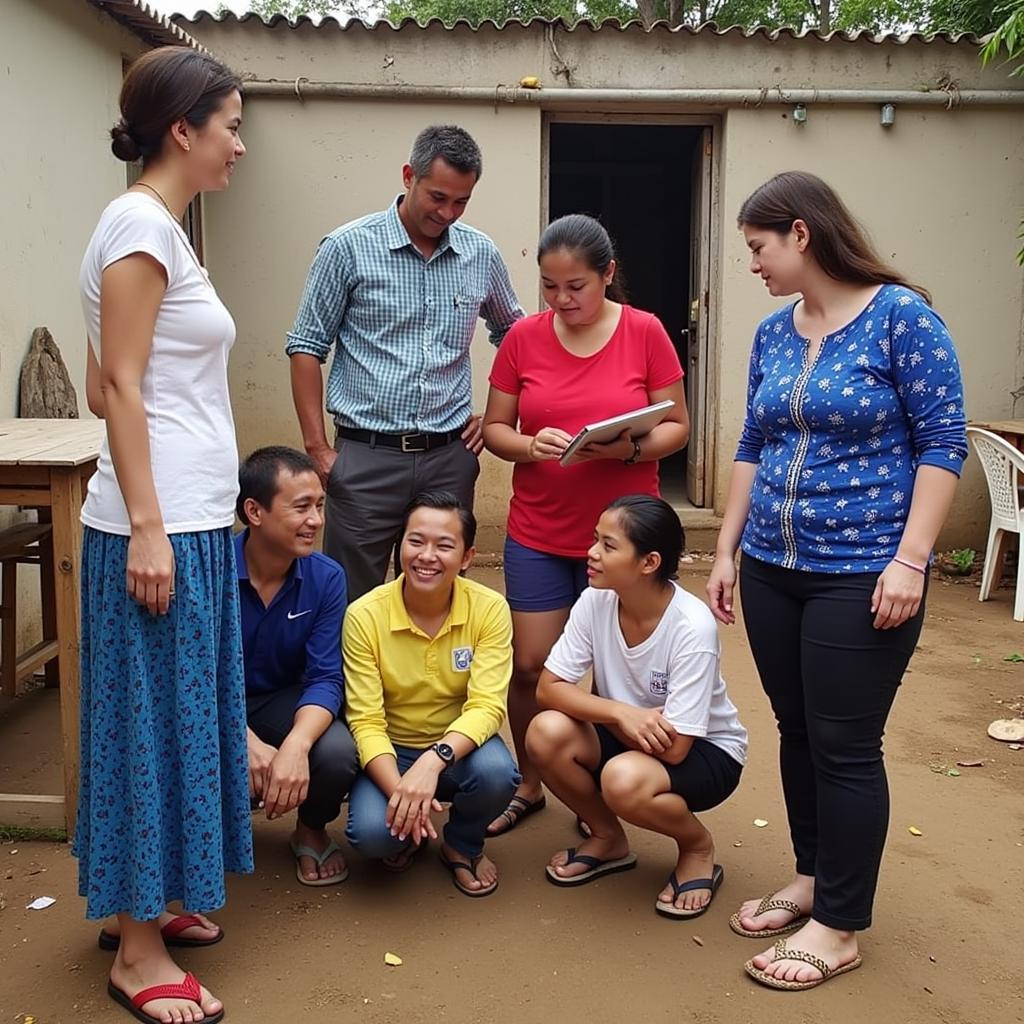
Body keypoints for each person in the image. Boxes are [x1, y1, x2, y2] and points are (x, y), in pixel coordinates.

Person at [707, 171, 967, 991]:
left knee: (847, 746)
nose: (753, 264)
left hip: (862, 573)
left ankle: (841, 925)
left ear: (801, 234)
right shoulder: (775, 331)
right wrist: (725, 551)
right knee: (796, 728)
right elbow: (751, 442)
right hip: (774, 568)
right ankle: (815, 880)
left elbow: (942, 443)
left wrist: (912, 558)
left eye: (758, 248)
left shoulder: (902, 319)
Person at [77, 46, 250, 1024]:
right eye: (229, 124)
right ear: (182, 130)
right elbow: (126, 389)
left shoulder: (144, 229)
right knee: (154, 730)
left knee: (174, 720)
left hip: (180, 516)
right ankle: (139, 953)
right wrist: (146, 523)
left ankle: (152, 905)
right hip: (162, 524)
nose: (238, 143)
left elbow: (105, 379)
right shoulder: (143, 226)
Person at [482, 213, 689, 837]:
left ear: (608, 275)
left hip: (624, 537)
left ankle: (602, 783)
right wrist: (528, 445)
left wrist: (626, 450)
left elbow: (677, 426)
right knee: (532, 664)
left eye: (577, 286)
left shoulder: (646, 331)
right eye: (549, 286)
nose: (563, 300)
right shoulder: (522, 336)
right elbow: (494, 429)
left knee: (613, 666)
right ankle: (530, 779)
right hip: (539, 529)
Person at [285, 124, 525, 601]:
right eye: (437, 196)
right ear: (408, 175)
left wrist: (501, 416)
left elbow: (517, 338)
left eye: (461, 202)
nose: (447, 213)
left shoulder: (479, 253)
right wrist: (318, 450)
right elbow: (306, 346)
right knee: (350, 600)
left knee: (440, 596)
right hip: (365, 457)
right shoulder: (347, 247)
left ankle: (435, 679)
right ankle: (352, 681)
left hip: (448, 458)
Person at [526, 496, 746, 917]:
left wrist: (615, 717)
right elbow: (549, 689)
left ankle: (696, 846)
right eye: (595, 540)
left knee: (622, 779)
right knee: (546, 732)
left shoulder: (691, 626)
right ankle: (608, 838)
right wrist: (619, 712)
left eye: (608, 546)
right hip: (628, 731)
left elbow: (678, 747)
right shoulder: (596, 599)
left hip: (704, 752)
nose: (590, 553)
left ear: (649, 563)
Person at [342, 492, 519, 897]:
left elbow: (487, 706)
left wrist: (433, 761)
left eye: (444, 545)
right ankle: (409, 830)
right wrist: (403, 792)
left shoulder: (489, 609)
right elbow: (365, 720)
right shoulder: (364, 615)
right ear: (399, 544)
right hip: (390, 751)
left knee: (498, 775)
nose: (427, 556)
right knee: (372, 837)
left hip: (456, 749)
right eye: (415, 540)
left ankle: (462, 843)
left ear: (468, 556)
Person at [236, 447, 358, 887]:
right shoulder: (211, 574)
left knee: (338, 751)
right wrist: (241, 739)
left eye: (320, 506)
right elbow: (197, 676)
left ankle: (310, 828)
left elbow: (325, 677)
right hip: (210, 703)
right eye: (301, 507)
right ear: (255, 511)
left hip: (281, 702)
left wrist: (295, 746)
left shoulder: (326, 577)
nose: (317, 521)